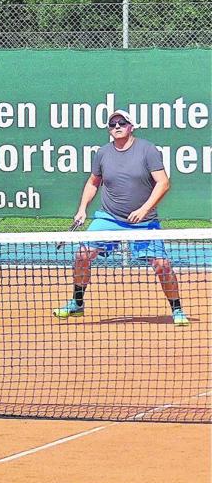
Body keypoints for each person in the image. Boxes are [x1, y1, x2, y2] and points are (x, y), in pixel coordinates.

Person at [54, 109, 189, 326]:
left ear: (131, 126)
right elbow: (93, 182)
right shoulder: (103, 153)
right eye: (112, 124)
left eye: (122, 123)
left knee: (162, 265)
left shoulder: (148, 150)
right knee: (82, 255)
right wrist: (82, 209)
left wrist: (144, 210)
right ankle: (77, 303)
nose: (117, 126)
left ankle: (177, 309)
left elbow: (163, 183)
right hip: (109, 218)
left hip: (144, 222)